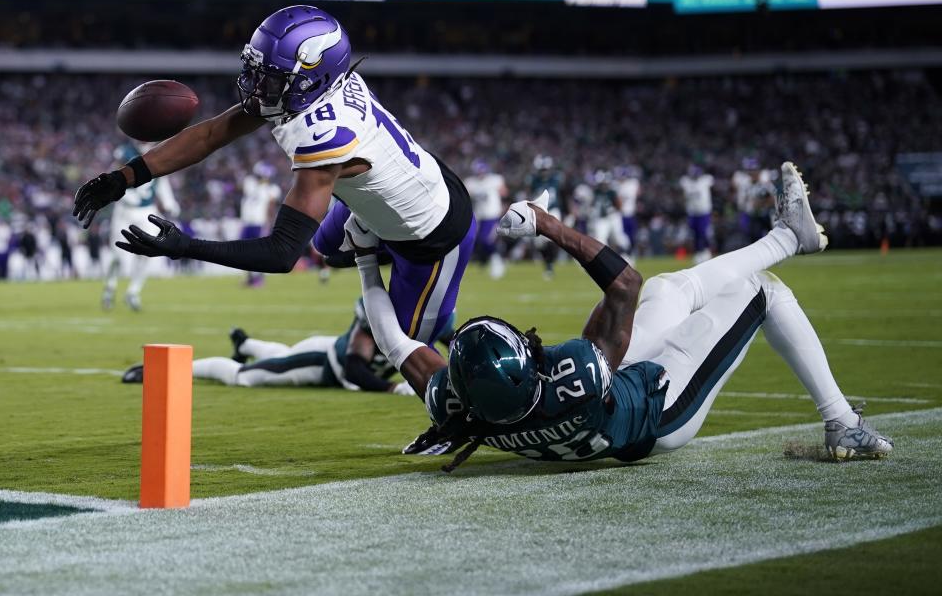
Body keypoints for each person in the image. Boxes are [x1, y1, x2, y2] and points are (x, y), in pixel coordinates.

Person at [350, 162, 892, 471]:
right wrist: (548, 225)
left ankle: (787, 236)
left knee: (670, 288)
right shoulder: (573, 373)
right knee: (763, 294)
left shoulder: (461, 402)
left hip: (602, 403)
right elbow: (621, 286)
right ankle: (841, 422)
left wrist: (365, 259)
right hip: (656, 413)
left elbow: (392, 339)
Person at [74, 5, 475, 346]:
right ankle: (382, 244)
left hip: (432, 231)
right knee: (329, 247)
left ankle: (447, 329)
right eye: (256, 69)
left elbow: (282, 253)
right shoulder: (315, 88)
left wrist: (186, 247)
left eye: (270, 76)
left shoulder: (324, 135)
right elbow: (211, 133)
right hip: (411, 182)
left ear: (311, 78)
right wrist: (124, 177)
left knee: (402, 342)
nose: (256, 84)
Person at [123, 299, 414, 394]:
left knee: (284, 355)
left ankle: (245, 342)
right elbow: (353, 370)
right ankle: (163, 370)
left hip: (323, 352)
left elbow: (448, 336)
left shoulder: (421, 313)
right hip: (322, 361)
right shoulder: (375, 311)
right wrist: (390, 388)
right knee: (246, 377)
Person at [101, 141, 181, 310]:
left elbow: (162, 180)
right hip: (124, 209)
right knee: (117, 254)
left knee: (147, 251)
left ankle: (133, 292)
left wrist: (169, 201)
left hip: (146, 210)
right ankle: (110, 287)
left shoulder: (159, 152)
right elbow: (111, 175)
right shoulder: (125, 151)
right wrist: (120, 194)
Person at [239, 161, 282, 287]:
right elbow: (248, 191)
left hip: (259, 223)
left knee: (258, 252)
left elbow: (271, 207)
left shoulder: (273, 189)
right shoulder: (250, 182)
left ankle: (259, 279)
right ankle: (249, 278)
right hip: (247, 222)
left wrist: (269, 223)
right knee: (243, 252)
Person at [465, 159, 508, 279]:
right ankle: (486, 260)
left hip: (493, 216)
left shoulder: (495, 180)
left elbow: (505, 194)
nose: (481, 174)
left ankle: (497, 262)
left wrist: (504, 208)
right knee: (478, 241)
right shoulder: (471, 183)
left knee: (486, 240)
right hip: (479, 218)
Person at [680, 164, 715, 262]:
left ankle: (706, 251)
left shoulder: (705, 180)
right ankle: (698, 252)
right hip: (692, 212)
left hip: (704, 212)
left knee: (703, 232)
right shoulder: (686, 182)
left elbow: (712, 181)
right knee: (694, 234)